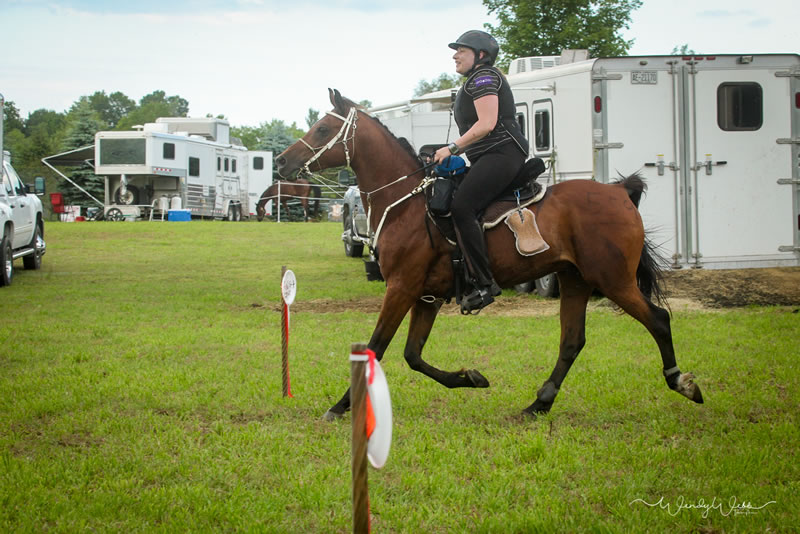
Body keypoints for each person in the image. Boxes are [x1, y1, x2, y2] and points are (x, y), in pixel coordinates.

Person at [433, 30, 529, 314]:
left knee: (462, 206)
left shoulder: (484, 77)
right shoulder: (475, 80)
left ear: (481, 55)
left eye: (461, 50)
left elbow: (487, 123)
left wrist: (451, 148)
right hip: (489, 155)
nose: (455, 55)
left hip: (502, 153)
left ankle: (484, 283)